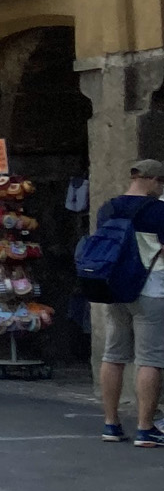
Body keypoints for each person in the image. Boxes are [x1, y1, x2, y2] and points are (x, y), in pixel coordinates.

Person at [93, 158, 164, 444]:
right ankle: (145, 427)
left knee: (113, 355)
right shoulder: (159, 210)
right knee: (150, 358)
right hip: (151, 288)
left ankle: (111, 423)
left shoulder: (107, 208)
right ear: (153, 180)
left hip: (115, 288)